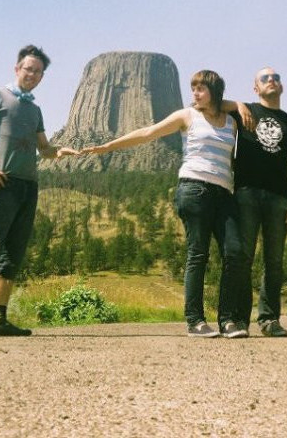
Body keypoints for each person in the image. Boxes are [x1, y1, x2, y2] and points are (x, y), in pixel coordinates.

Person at [82, 70, 248, 339]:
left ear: (215, 92)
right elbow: (149, 132)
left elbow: (239, 109)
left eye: (201, 89)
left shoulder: (231, 122)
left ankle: (228, 319)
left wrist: (238, 105)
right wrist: (108, 146)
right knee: (198, 254)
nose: (194, 93)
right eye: (193, 88)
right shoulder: (187, 116)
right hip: (194, 189)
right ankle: (195, 321)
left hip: (224, 194)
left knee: (236, 252)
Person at [0, 45, 79, 338]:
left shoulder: (34, 109)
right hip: (2, 184)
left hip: (29, 187)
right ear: (17, 69)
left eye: (38, 72)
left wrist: (58, 151)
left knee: (13, 255)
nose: (33, 75)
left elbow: (44, 148)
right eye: (28, 69)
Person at [226, 68, 287, 337]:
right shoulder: (244, 110)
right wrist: (238, 104)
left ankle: (270, 319)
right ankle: (238, 319)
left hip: (279, 198)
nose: (272, 80)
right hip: (246, 193)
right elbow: (214, 103)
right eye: (265, 78)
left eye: (276, 78)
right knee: (243, 258)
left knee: (274, 261)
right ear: (255, 88)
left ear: (281, 87)